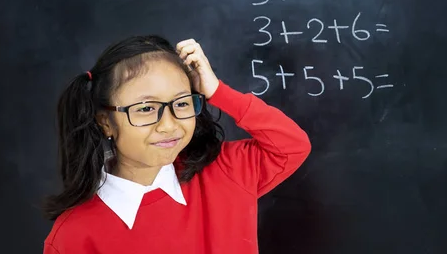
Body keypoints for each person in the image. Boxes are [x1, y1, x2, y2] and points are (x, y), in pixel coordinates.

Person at [42, 35, 311, 254]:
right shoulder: (74, 236)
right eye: (146, 108)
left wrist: (219, 92)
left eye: (181, 103)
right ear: (105, 122)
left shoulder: (227, 171)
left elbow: (291, 145)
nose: (169, 125)